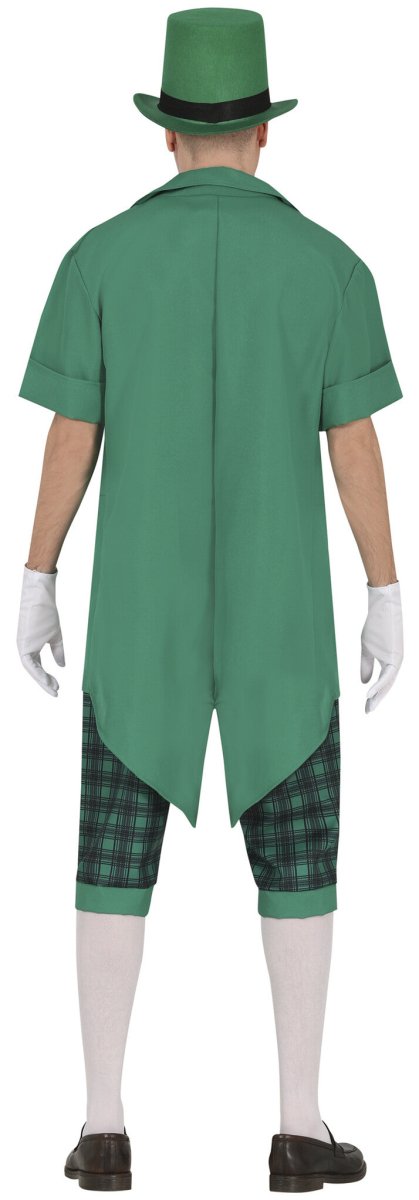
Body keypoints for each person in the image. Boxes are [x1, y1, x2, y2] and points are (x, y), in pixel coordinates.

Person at [16, 7, 404, 1193]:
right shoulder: (331, 266)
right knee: (299, 862)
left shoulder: (97, 259)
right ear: (263, 132)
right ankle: (297, 1126)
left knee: (109, 859)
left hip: (139, 618)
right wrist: (383, 588)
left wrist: (37, 575)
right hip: (281, 618)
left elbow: (71, 433)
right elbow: (353, 445)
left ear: (168, 134)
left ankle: (101, 1127)